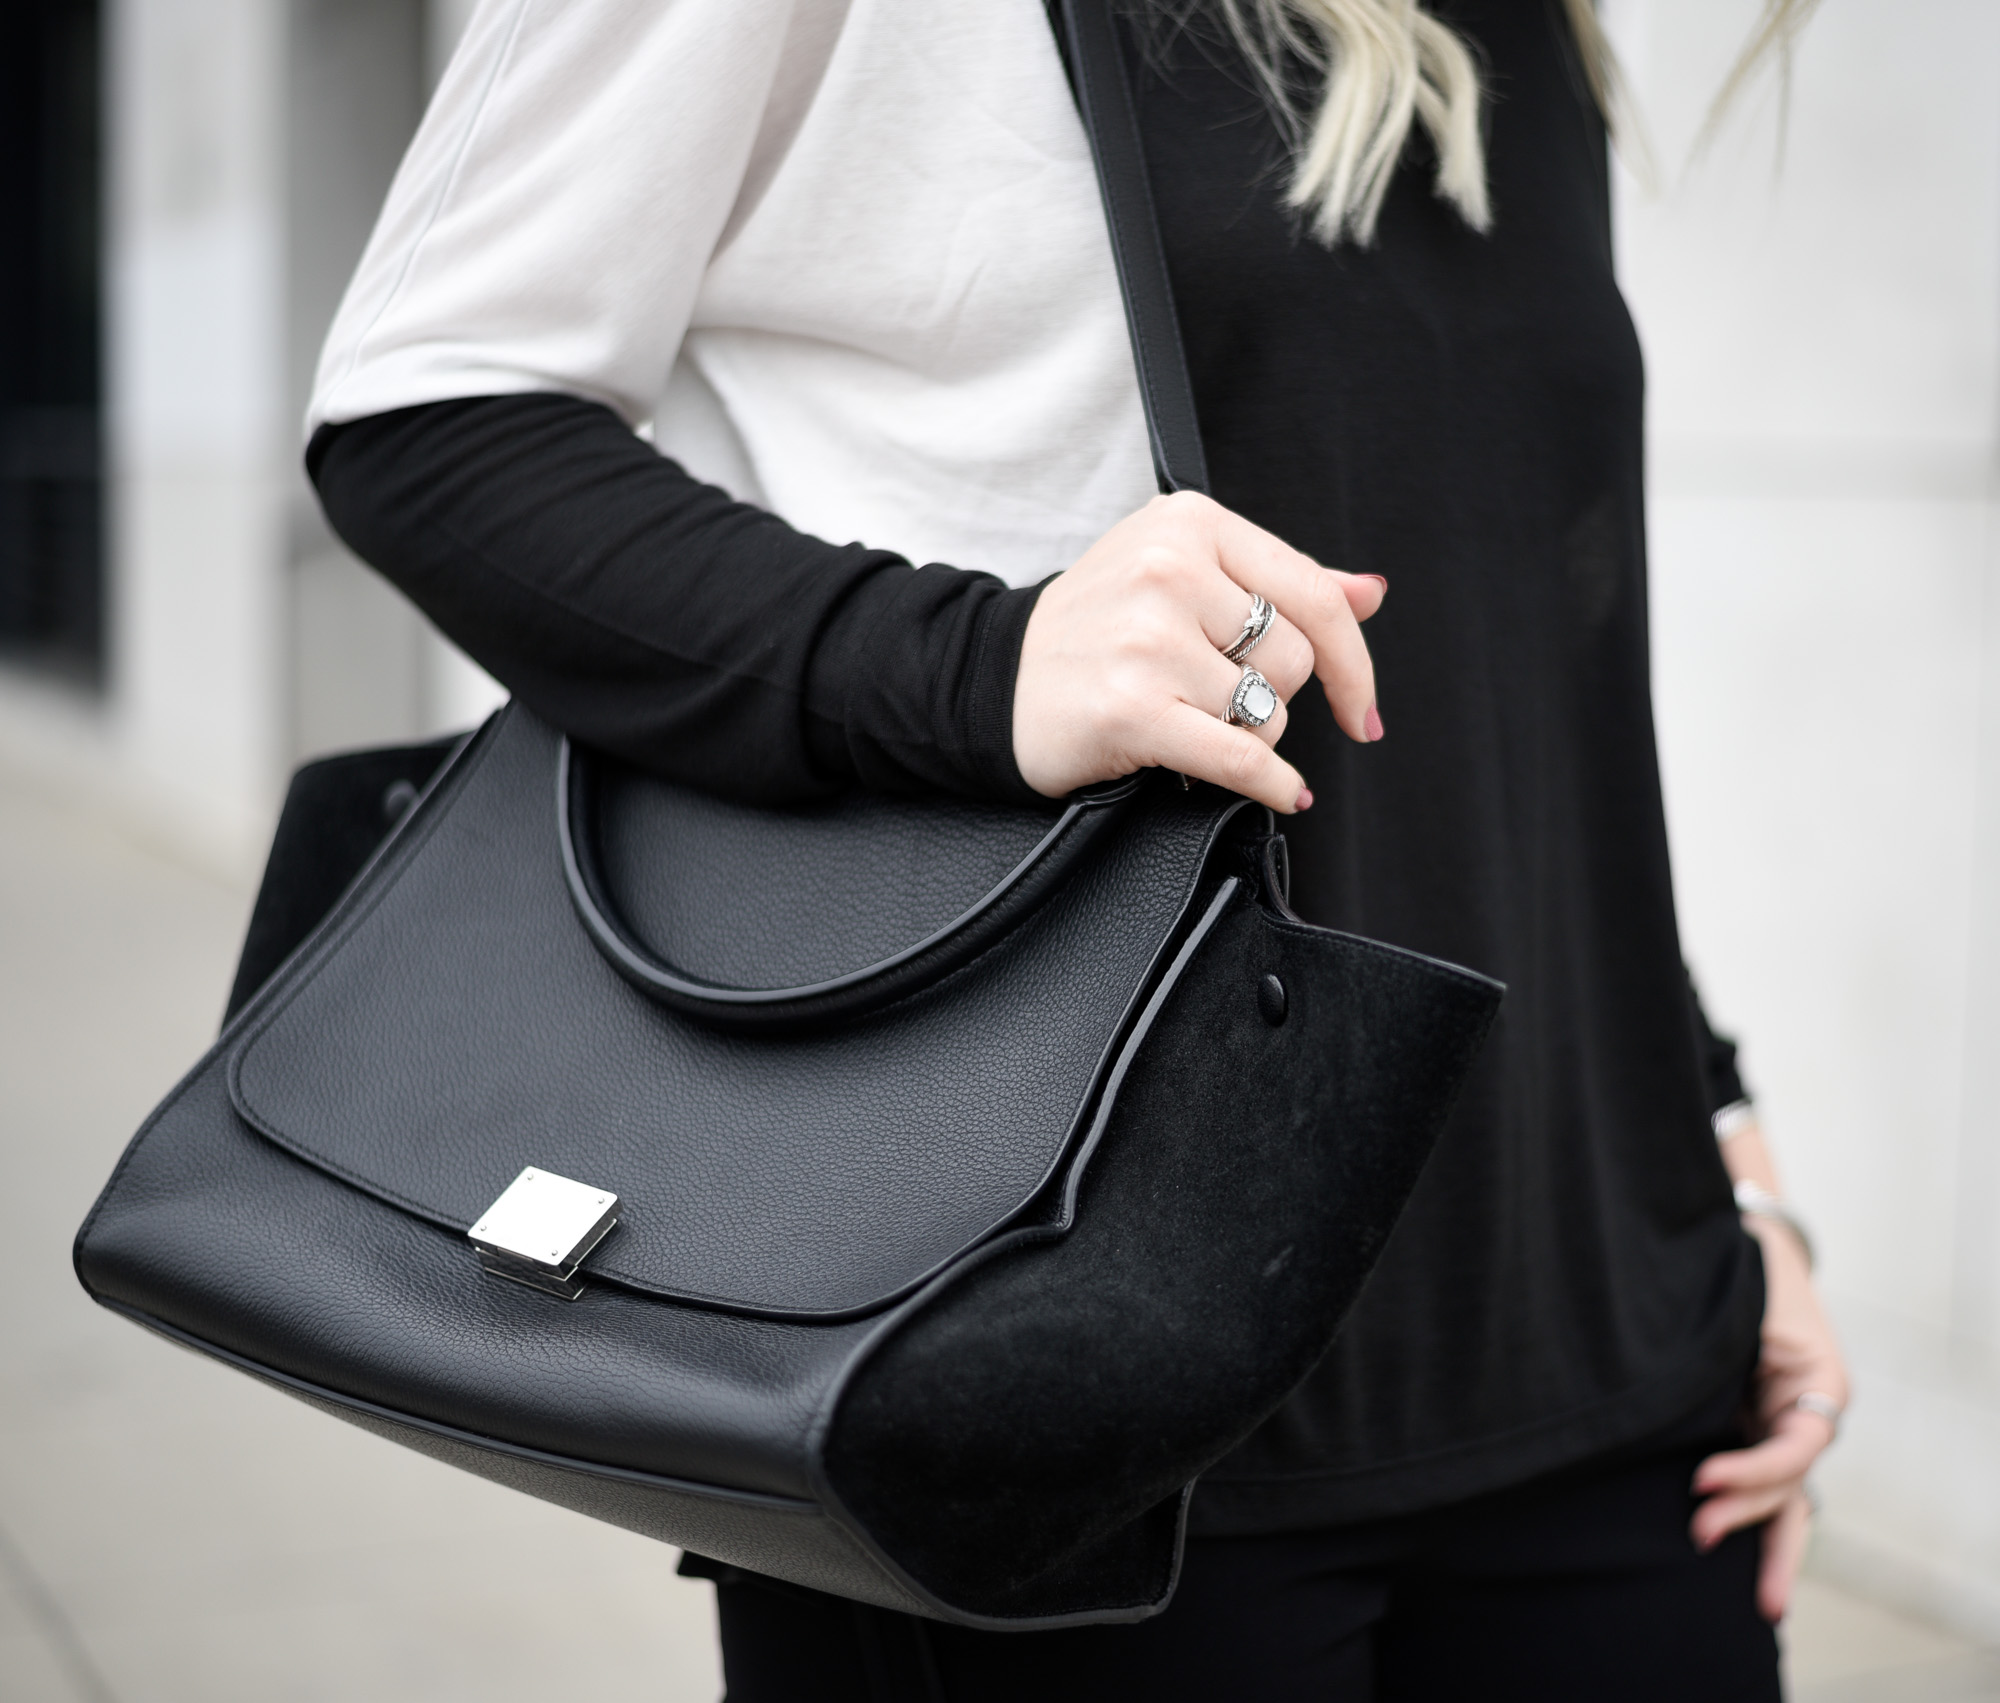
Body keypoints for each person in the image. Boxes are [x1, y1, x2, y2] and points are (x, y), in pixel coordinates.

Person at [304, 0, 1848, 1695]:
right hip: (1059, 1387)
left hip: (1622, 1383)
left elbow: (1517, 708)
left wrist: (1729, 1164)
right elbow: (430, 416)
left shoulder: (1527, 29)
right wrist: (980, 664)